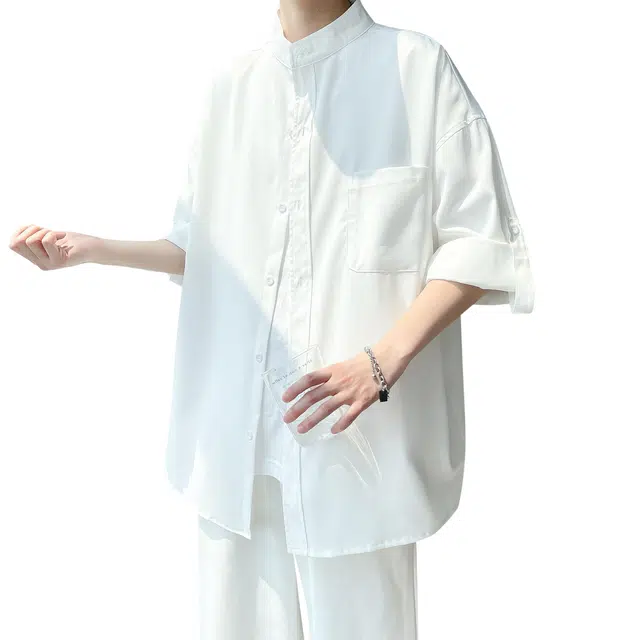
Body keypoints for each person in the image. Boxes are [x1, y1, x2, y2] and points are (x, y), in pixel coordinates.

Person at [8, 0, 534, 638]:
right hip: (237, 439)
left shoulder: (416, 68)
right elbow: (204, 250)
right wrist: (95, 250)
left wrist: (380, 362)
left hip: (356, 441)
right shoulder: (231, 88)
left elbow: (478, 245)